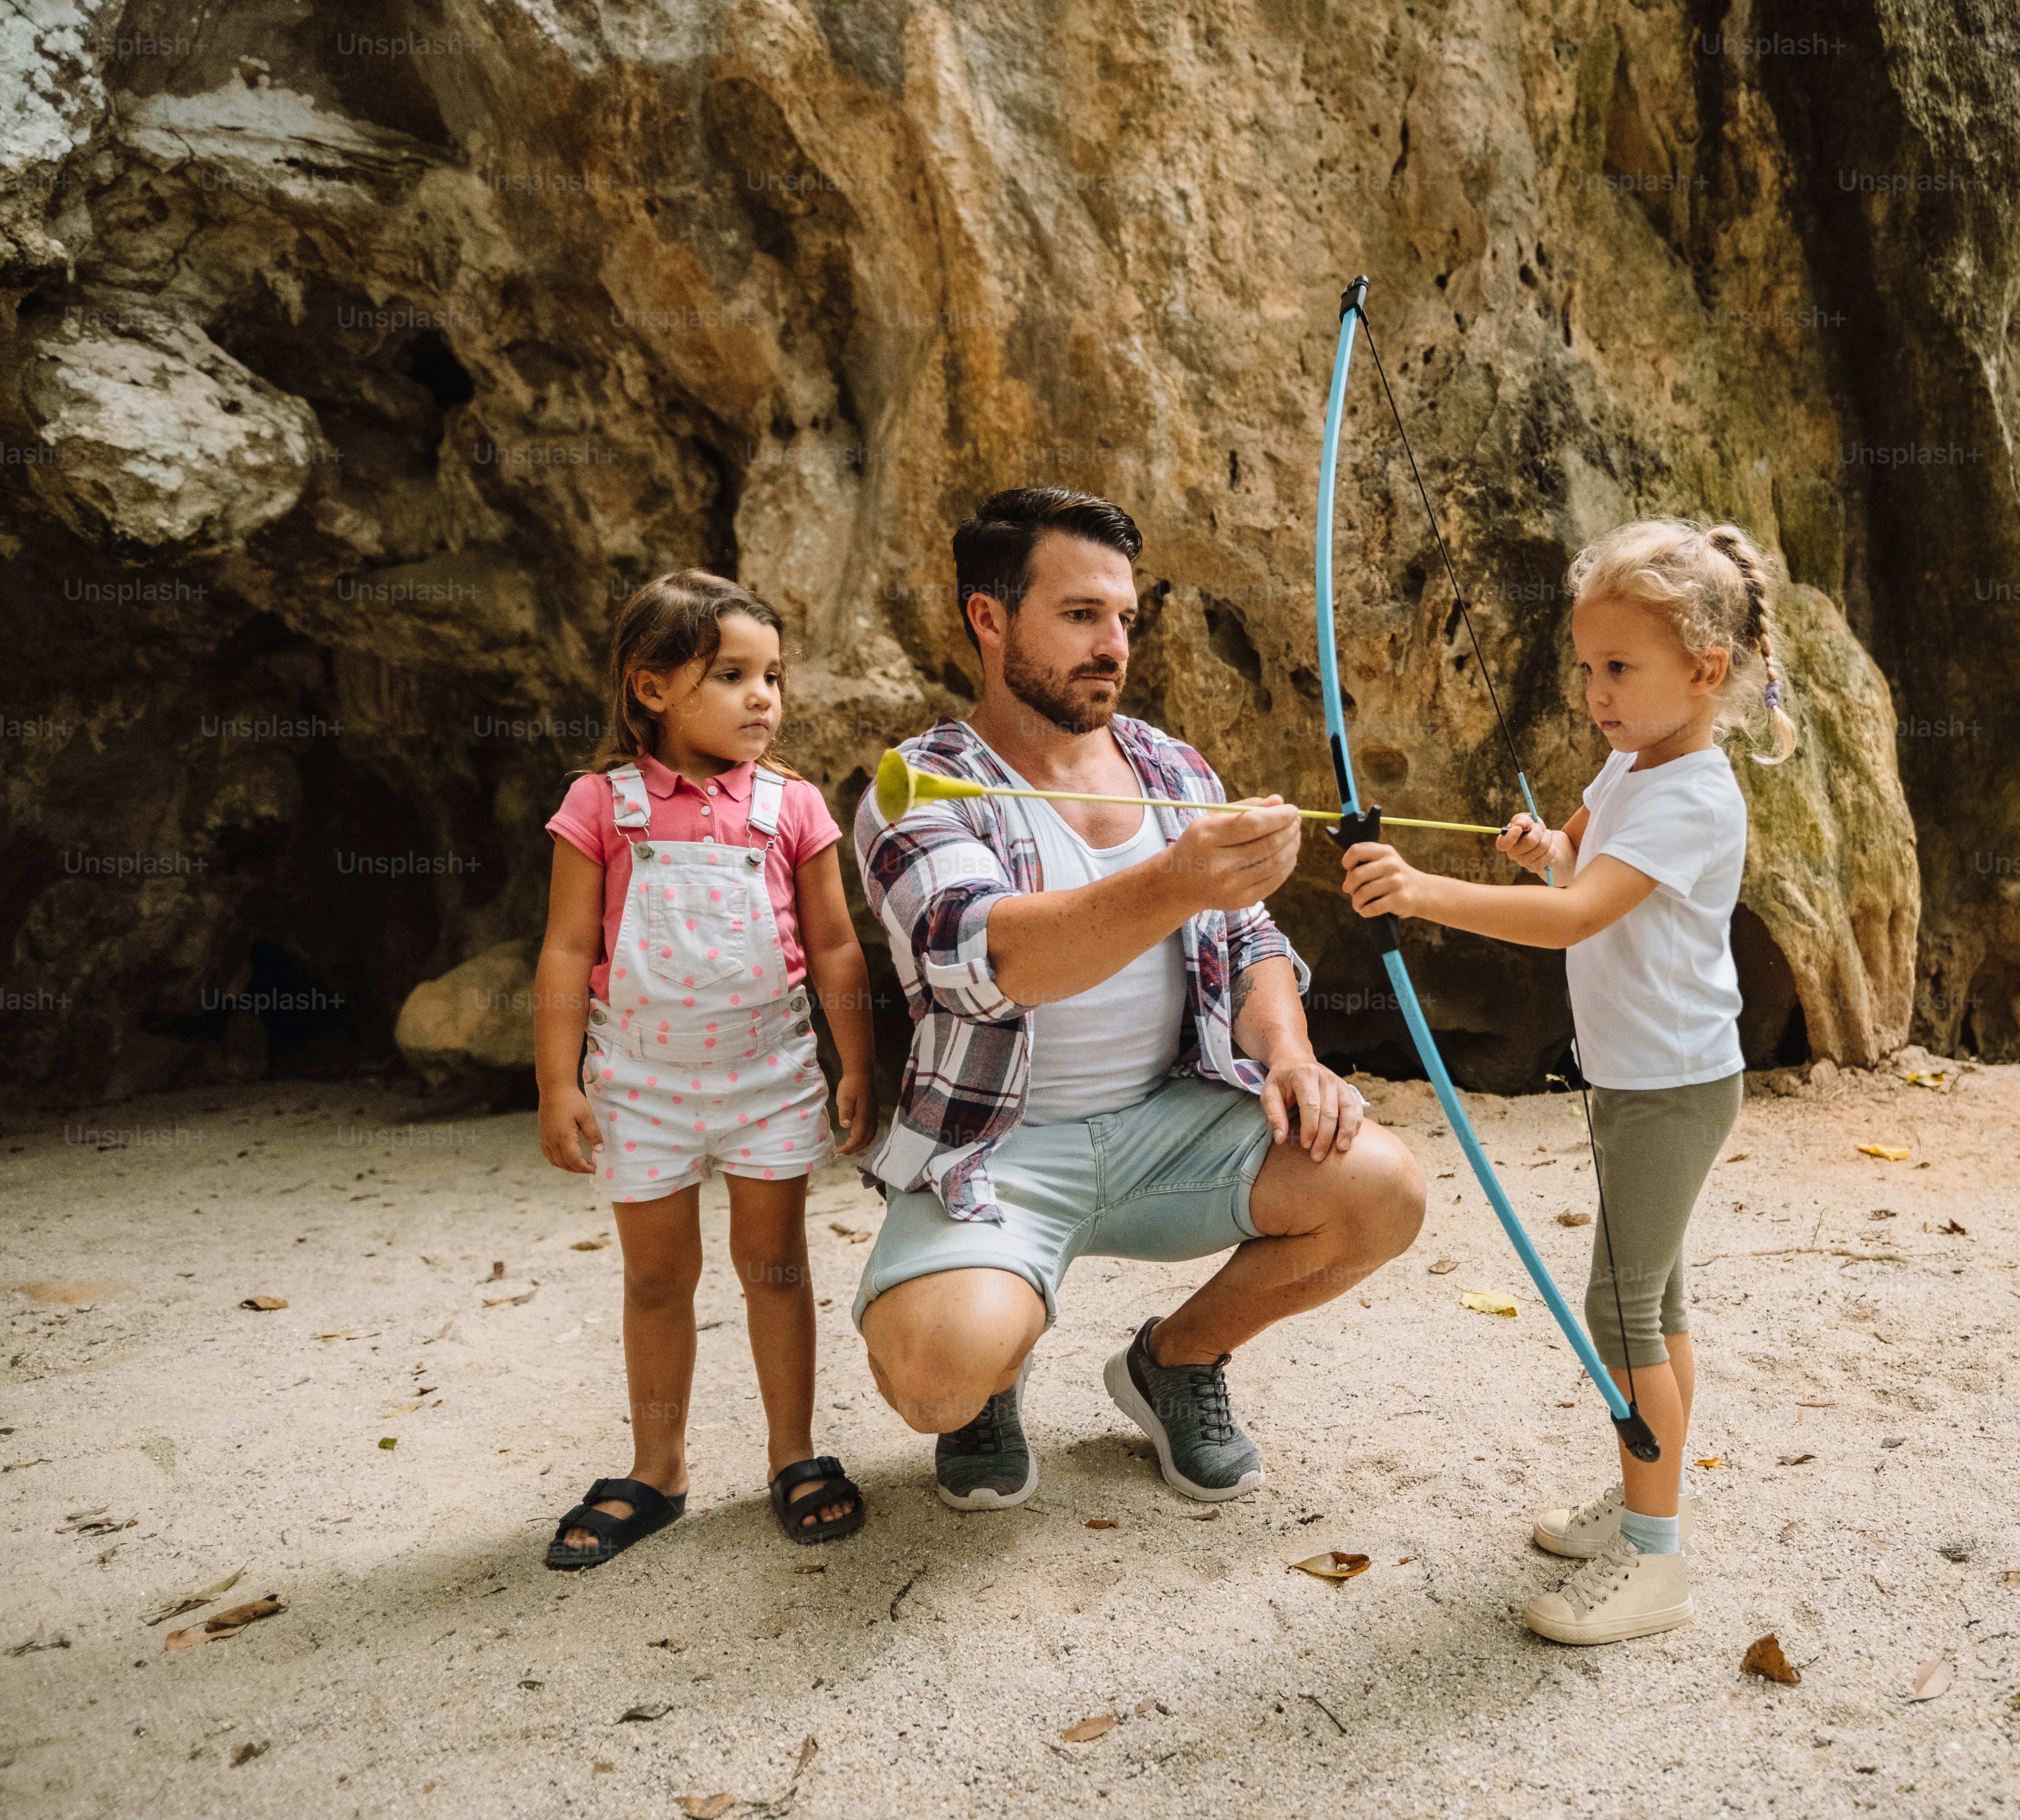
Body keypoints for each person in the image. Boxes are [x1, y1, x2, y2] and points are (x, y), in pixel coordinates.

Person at [851, 487, 1422, 1509]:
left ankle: (1176, 1362)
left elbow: (1251, 939)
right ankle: (994, 1361)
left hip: (1170, 1125)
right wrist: (1178, 881)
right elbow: (985, 958)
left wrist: (1287, 1055)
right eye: (1079, 617)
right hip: (999, 1150)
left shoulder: (1169, 765)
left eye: (1122, 619)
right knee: (938, 1374)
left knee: (1383, 1190)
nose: (1112, 644)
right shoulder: (919, 784)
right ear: (988, 619)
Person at [1339, 519, 1794, 1644]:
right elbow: (1580, 866)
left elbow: (1578, 919)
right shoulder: (1635, 758)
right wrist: (1549, 846)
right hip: (1643, 1078)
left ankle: (1655, 1557)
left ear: (1706, 669)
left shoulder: (1693, 791)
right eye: (1586, 668)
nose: (1595, 691)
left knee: (1620, 1305)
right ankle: (1650, 1502)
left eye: (1619, 668)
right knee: (1654, 1297)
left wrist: (1421, 894)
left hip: (1673, 1087)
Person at [530, 569, 878, 1567]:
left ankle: (793, 1454)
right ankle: (657, 1470)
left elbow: (837, 947)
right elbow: (563, 950)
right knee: (655, 1278)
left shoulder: (794, 806)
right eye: (731, 674)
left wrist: (856, 1061)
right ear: (651, 688)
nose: (764, 696)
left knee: (774, 1268)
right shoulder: (602, 805)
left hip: (768, 1074)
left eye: (773, 674)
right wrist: (559, 1083)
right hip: (640, 1082)